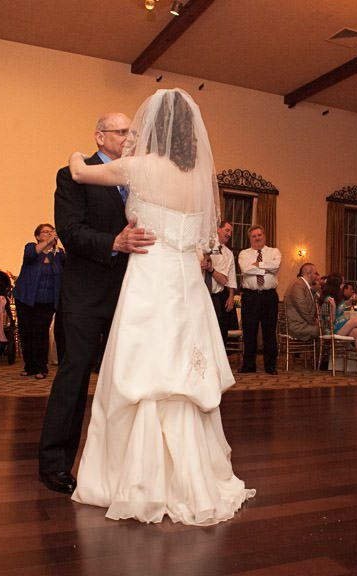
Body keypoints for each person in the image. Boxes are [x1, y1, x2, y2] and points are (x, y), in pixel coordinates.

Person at [65, 88, 255, 525]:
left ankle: (136, 480)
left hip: (150, 278)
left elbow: (79, 173)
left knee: (145, 373)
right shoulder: (201, 175)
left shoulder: (140, 167)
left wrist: (80, 150)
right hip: (187, 283)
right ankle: (191, 477)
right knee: (181, 376)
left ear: (154, 127)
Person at [37, 111, 155, 495]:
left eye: (131, 133)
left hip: (129, 294)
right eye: (121, 132)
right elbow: (70, 231)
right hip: (86, 293)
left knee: (124, 380)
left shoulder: (138, 180)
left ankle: (115, 463)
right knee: (74, 378)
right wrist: (113, 243)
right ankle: (54, 463)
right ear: (100, 137)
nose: (128, 139)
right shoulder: (74, 173)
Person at [14, 224, 65, 380]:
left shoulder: (59, 254)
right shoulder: (31, 248)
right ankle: (29, 366)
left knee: (41, 333)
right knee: (26, 332)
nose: (49, 234)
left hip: (47, 301)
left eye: (52, 232)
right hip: (25, 298)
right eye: (45, 232)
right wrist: (47, 242)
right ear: (37, 236)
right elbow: (30, 255)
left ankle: (41, 368)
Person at [238, 225, 281, 375]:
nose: (257, 238)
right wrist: (266, 267)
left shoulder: (274, 252)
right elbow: (245, 269)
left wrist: (257, 265)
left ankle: (270, 366)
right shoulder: (244, 253)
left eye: (259, 235)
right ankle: (249, 365)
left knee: (269, 331)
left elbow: (275, 266)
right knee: (249, 332)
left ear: (264, 236)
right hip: (250, 296)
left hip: (269, 296)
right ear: (250, 238)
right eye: (254, 236)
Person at [203, 220, 236, 340]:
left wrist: (231, 296)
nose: (229, 234)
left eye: (231, 232)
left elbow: (230, 278)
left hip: (217, 296)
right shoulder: (207, 246)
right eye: (227, 230)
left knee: (217, 333)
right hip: (201, 295)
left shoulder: (228, 253)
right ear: (218, 229)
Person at [284, 262, 320, 341]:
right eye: (315, 273)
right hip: (298, 326)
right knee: (328, 330)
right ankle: (325, 353)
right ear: (309, 274)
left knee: (327, 329)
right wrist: (315, 321)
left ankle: (320, 353)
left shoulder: (302, 285)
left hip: (303, 323)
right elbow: (303, 308)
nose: (317, 276)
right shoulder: (298, 285)